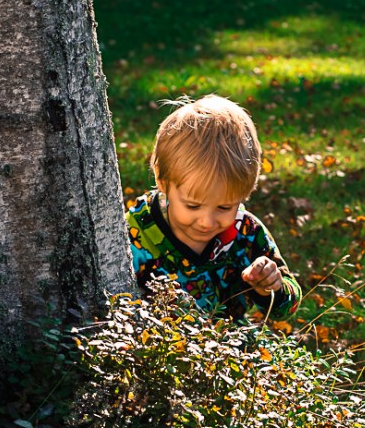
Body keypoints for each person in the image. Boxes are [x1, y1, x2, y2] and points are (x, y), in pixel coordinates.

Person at [126, 95, 302, 321]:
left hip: (228, 349)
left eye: (224, 207)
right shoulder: (136, 233)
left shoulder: (246, 232)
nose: (207, 221)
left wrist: (270, 287)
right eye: (192, 206)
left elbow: (287, 308)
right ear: (163, 182)